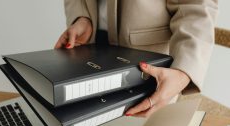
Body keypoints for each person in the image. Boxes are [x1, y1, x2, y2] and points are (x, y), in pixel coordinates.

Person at [55, 0, 218, 117]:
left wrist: (184, 72)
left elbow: (195, 5)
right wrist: (82, 17)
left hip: (149, 60)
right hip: (89, 47)